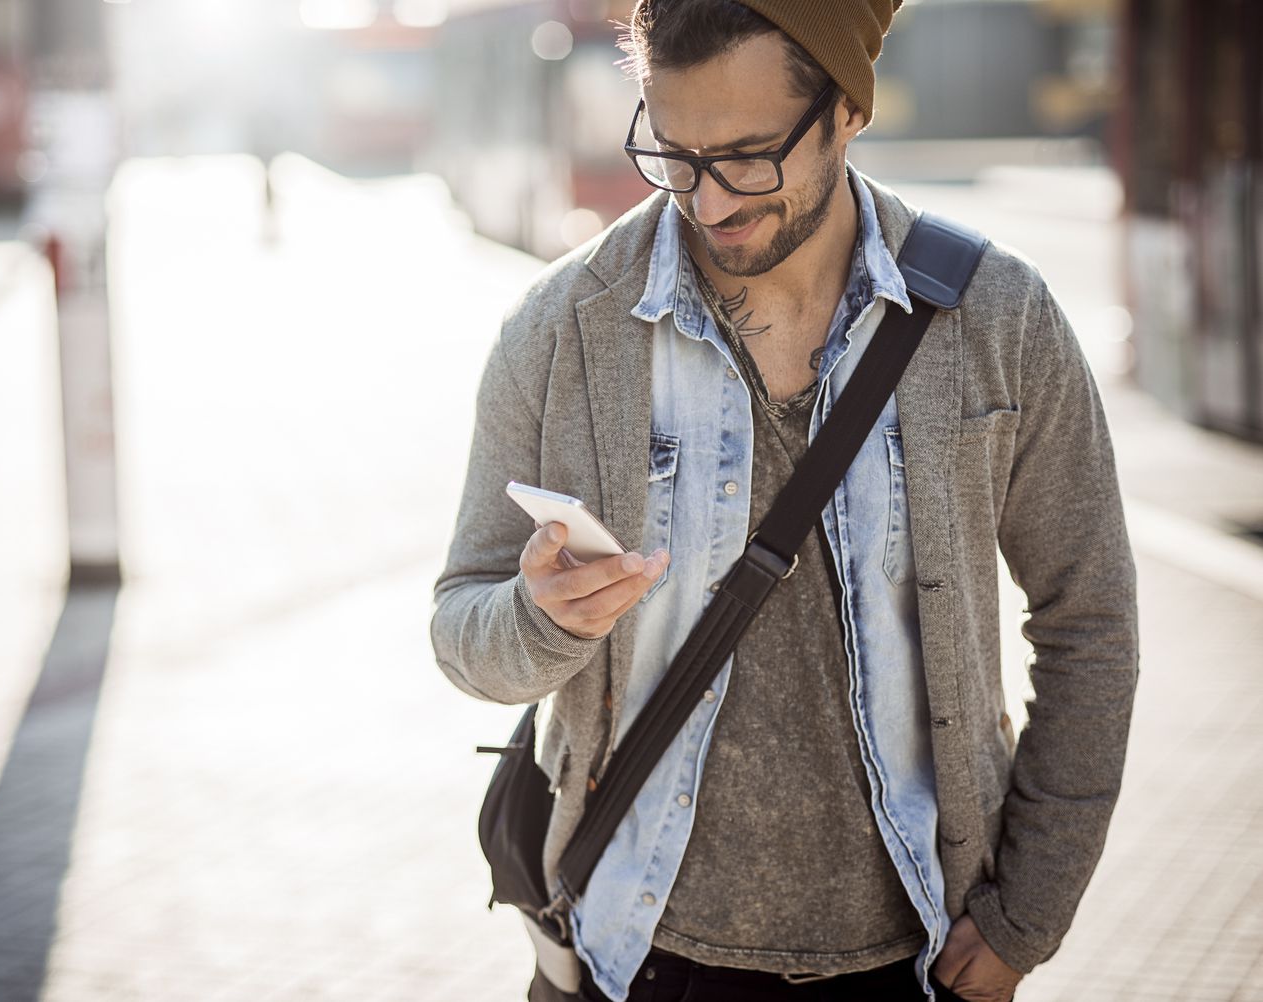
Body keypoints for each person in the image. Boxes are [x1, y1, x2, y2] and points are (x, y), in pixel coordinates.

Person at [430, 2, 1139, 1000]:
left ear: (847, 111)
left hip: (919, 959)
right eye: (674, 153)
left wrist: (1029, 912)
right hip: (631, 960)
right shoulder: (562, 328)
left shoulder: (996, 320)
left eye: (750, 156)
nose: (708, 201)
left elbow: (1091, 618)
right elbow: (464, 624)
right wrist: (538, 620)